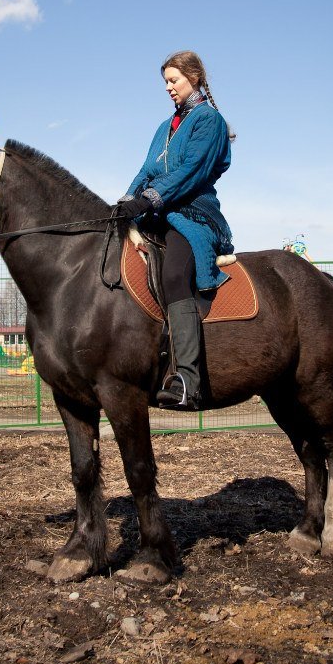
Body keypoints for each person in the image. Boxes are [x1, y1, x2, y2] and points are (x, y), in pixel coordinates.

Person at [116, 50, 235, 411]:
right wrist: (125, 202)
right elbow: (146, 169)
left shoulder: (209, 121)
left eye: (174, 80)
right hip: (158, 212)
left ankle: (188, 381)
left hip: (193, 215)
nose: (169, 88)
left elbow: (190, 173)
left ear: (194, 77)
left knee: (172, 275)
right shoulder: (163, 127)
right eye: (165, 82)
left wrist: (149, 199)